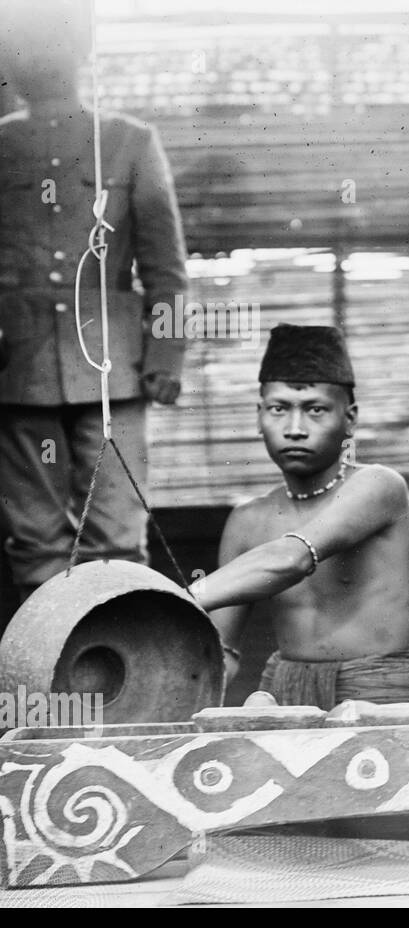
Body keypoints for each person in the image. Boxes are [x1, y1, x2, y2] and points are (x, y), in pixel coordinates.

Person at [0, 3, 189, 600]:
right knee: (34, 540)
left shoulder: (129, 142)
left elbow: (166, 266)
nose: (38, 58)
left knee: (117, 531)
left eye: (52, 44)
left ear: (82, 54)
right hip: (16, 369)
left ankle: (129, 669)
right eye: (25, 45)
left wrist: (166, 358)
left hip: (116, 370)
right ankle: (50, 667)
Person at [198, 324, 409, 708]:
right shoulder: (248, 519)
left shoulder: (378, 486)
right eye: (279, 409)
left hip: (382, 692)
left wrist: (171, 599)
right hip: (286, 690)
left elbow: (291, 559)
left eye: (315, 410)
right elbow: (218, 652)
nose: (295, 429)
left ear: (350, 418)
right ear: (259, 415)